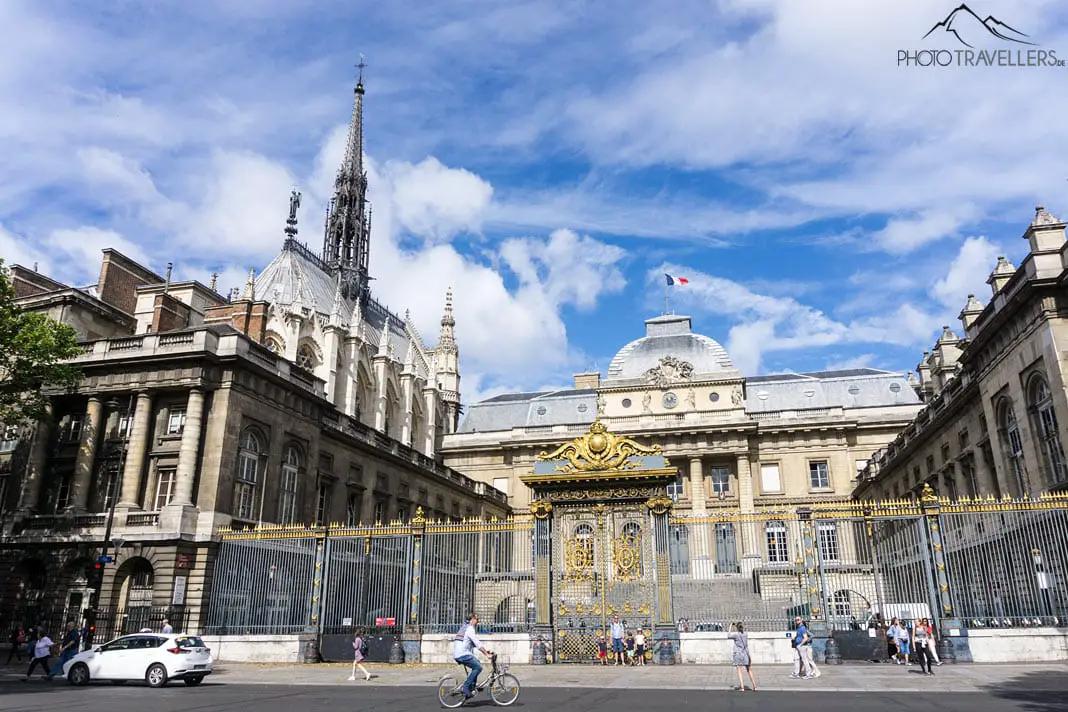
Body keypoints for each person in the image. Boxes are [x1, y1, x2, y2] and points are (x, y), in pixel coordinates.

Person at [452, 613, 492, 699]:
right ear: (472, 619)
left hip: (460, 653)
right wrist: (486, 654)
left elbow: (472, 643)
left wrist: (486, 651)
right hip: (462, 654)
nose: (478, 622)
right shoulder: (470, 628)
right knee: (478, 668)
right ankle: (466, 687)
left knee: (476, 663)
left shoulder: (465, 627)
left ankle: (472, 686)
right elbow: (477, 642)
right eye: (477, 620)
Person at [728, 622, 757, 691]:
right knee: (749, 670)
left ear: (737, 628)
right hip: (745, 654)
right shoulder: (746, 634)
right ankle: (754, 686)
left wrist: (730, 626)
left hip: (738, 654)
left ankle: (742, 687)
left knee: (739, 670)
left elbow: (728, 635)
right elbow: (746, 646)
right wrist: (749, 656)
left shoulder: (736, 635)